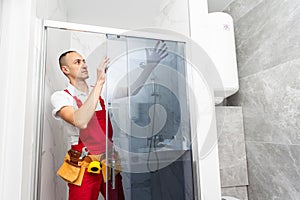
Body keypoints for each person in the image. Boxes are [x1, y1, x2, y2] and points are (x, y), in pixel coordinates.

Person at [51, 41, 168, 200]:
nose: (84, 64)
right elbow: (80, 121)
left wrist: (149, 67)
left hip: (108, 162)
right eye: (77, 62)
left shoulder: (100, 92)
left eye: (84, 61)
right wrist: (100, 82)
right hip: (83, 165)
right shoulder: (62, 97)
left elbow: (132, 90)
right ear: (65, 69)